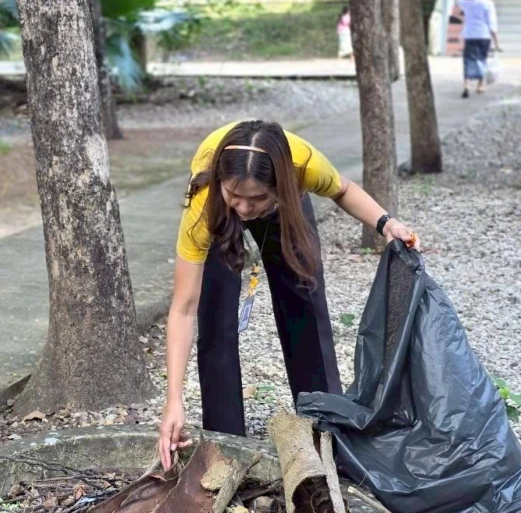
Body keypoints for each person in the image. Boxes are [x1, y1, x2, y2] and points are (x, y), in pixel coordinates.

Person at [157, 121, 421, 469]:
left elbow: (342, 190)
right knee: (214, 317)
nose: (245, 209)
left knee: (304, 298)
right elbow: (183, 309)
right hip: (216, 209)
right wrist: (173, 400)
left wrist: (386, 222)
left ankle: (324, 428)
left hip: (281, 207)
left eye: (256, 199)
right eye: (236, 195)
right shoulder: (207, 204)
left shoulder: (304, 166)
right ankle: (227, 443)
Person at [456, 0, 500, 98]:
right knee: (481, 59)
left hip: (469, 34)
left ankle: (466, 84)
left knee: (468, 60)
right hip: (484, 34)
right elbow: (491, 21)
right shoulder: (488, 3)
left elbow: (459, 0)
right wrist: (496, 40)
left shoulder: (467, 3)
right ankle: (480, 85)